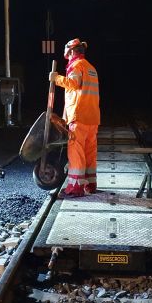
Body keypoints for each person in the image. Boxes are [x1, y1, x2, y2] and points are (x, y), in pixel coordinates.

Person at [49, 38, 100, 197]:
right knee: (89, 151)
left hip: (79, 117)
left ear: (71, 51)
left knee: (76, 152)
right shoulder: (91, 68)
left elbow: (73, 83)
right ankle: (90, 184)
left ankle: (75, 187)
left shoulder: (76, 66)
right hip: (92, 117)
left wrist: (55, 78)